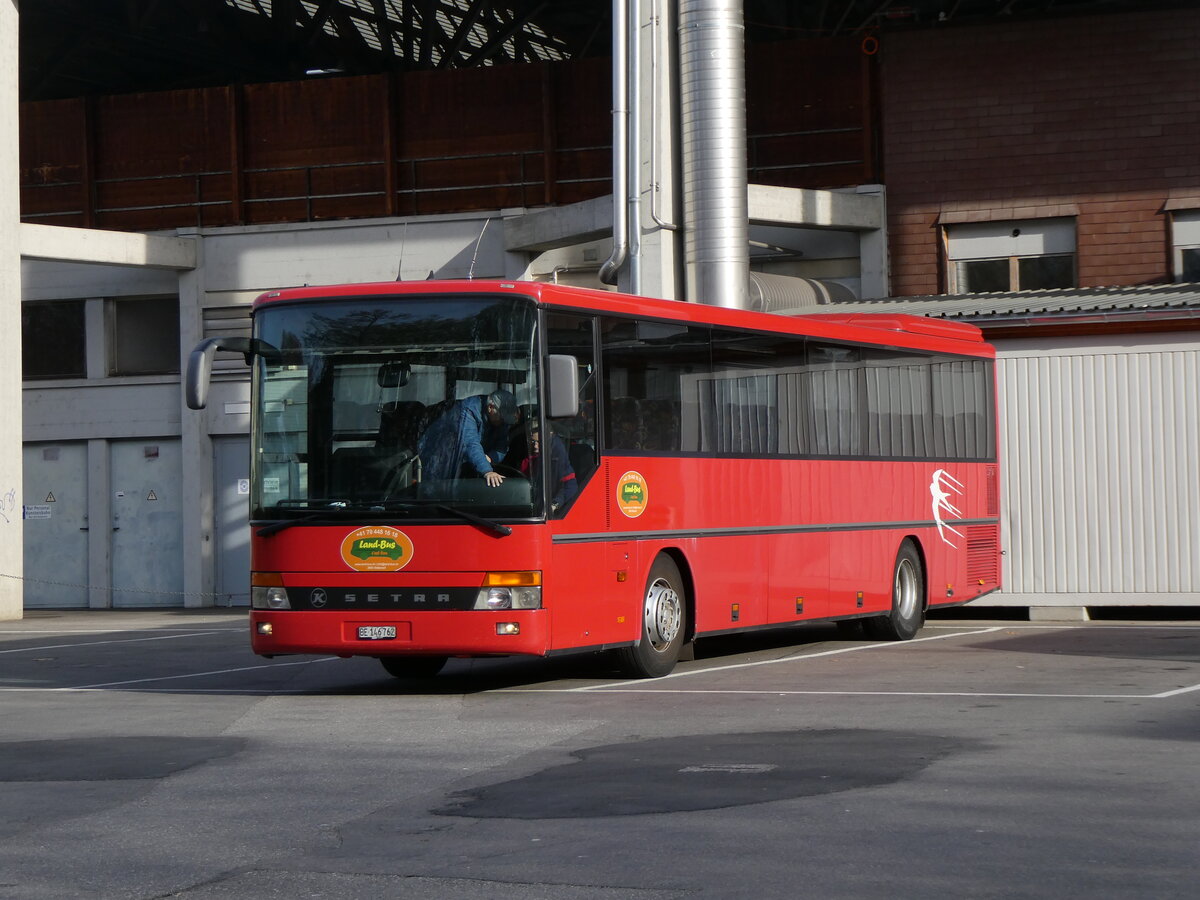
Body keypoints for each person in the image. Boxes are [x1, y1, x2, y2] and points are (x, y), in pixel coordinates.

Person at [418, 390, 520, 486]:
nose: (504, 423)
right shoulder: (468, 410)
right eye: (502, 418)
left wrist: (490, 457)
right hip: (441, 457)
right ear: (490, 408)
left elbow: (502, 446)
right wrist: (487, 471)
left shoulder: (501, 420)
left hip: (467, 462)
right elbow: (470, 443)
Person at [521, 421, 578, 512]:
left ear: (549, 436)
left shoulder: (557, 454)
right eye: (532, 441)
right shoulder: (528, 454)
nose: (535, 446)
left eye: (539, 442)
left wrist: (554, 505)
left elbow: (570, 486)